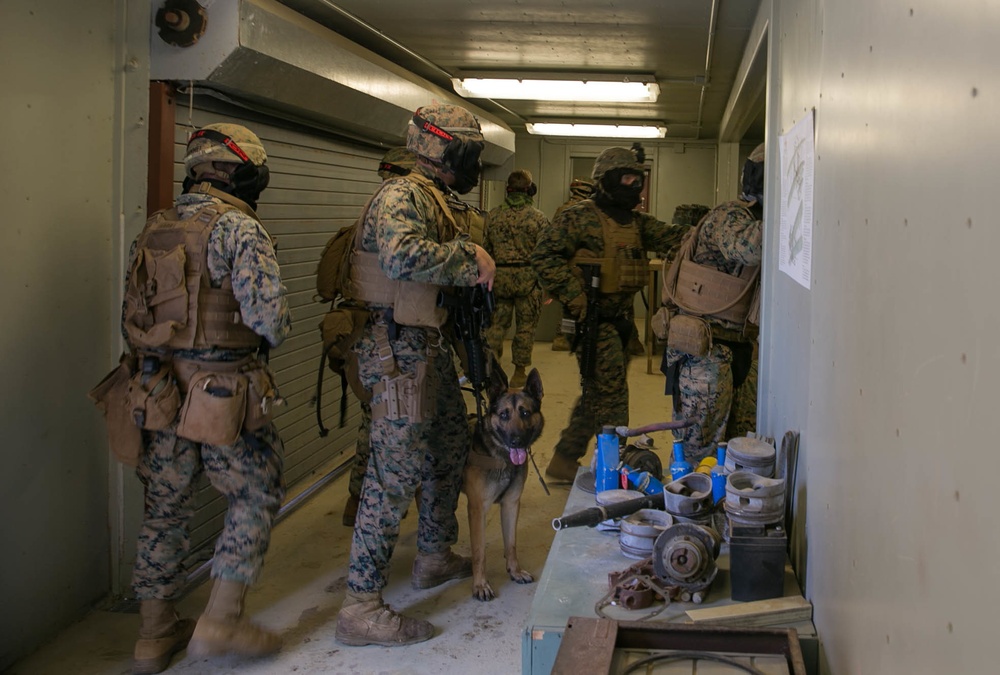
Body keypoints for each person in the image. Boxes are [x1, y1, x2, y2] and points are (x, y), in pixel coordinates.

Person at [120, 123, 291, 672]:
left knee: (164, 509)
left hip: (158, 389)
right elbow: (272, 321)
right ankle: (220, 621)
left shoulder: (152, 228)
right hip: (223, 395)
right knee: (254, 494)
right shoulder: (238, 228)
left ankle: (153, 635)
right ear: (242, 169)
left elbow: (134, 315)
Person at [334, 103, 495, 646]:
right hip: (398, 351)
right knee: (393, 476)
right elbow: (402, 258)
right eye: (471, 150)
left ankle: (433, 554)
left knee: (450, 444)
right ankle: (359, 607)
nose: (476, 162)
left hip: (428, 344)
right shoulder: (402, 195)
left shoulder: (435, 198)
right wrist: (469, 258)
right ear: (445, 149)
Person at [532, 146, 689, 483]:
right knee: (613, 397)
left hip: (621, 323)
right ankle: (615, 471)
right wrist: (576, 298)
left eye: (639, 179)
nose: (634, 185)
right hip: (592, 322)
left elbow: (677, 238)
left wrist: (707, 228)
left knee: (597, 393)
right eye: (626, 178)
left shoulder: (636, 223)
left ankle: (563, 458)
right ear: (605, 181)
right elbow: (544, 256)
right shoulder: (578, 217)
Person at [660, 143, 765, 461]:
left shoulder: (759, 220)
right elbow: (748, 248)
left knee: (738, 449)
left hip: (738, 350)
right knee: (698, 452)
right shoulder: (730, 215)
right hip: (704, 355)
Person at [341, 147, 417, 528]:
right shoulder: (396, 219)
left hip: (364, 339)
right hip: (391, 340)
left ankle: (356, 501)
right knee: (403, 427)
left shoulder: (364, 220)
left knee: (370, 424)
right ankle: (381, 513)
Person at [483, 169, 548, 388]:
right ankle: (519, 373)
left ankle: (491, 369)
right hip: (528, 280)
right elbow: (544, 254)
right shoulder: (538, 218)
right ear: (530, 190)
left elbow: (485, 250)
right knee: (525, 327)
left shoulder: (492, 216)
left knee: (496, 326)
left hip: (498, 279)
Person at [550, 178, 594, 351]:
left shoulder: (562, 210)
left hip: (566, 263)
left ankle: (563, 338)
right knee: (589, 300)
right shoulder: (592, 210)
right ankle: (585, 338)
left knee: (567, 302)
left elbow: (552, 238)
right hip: (587, 264)